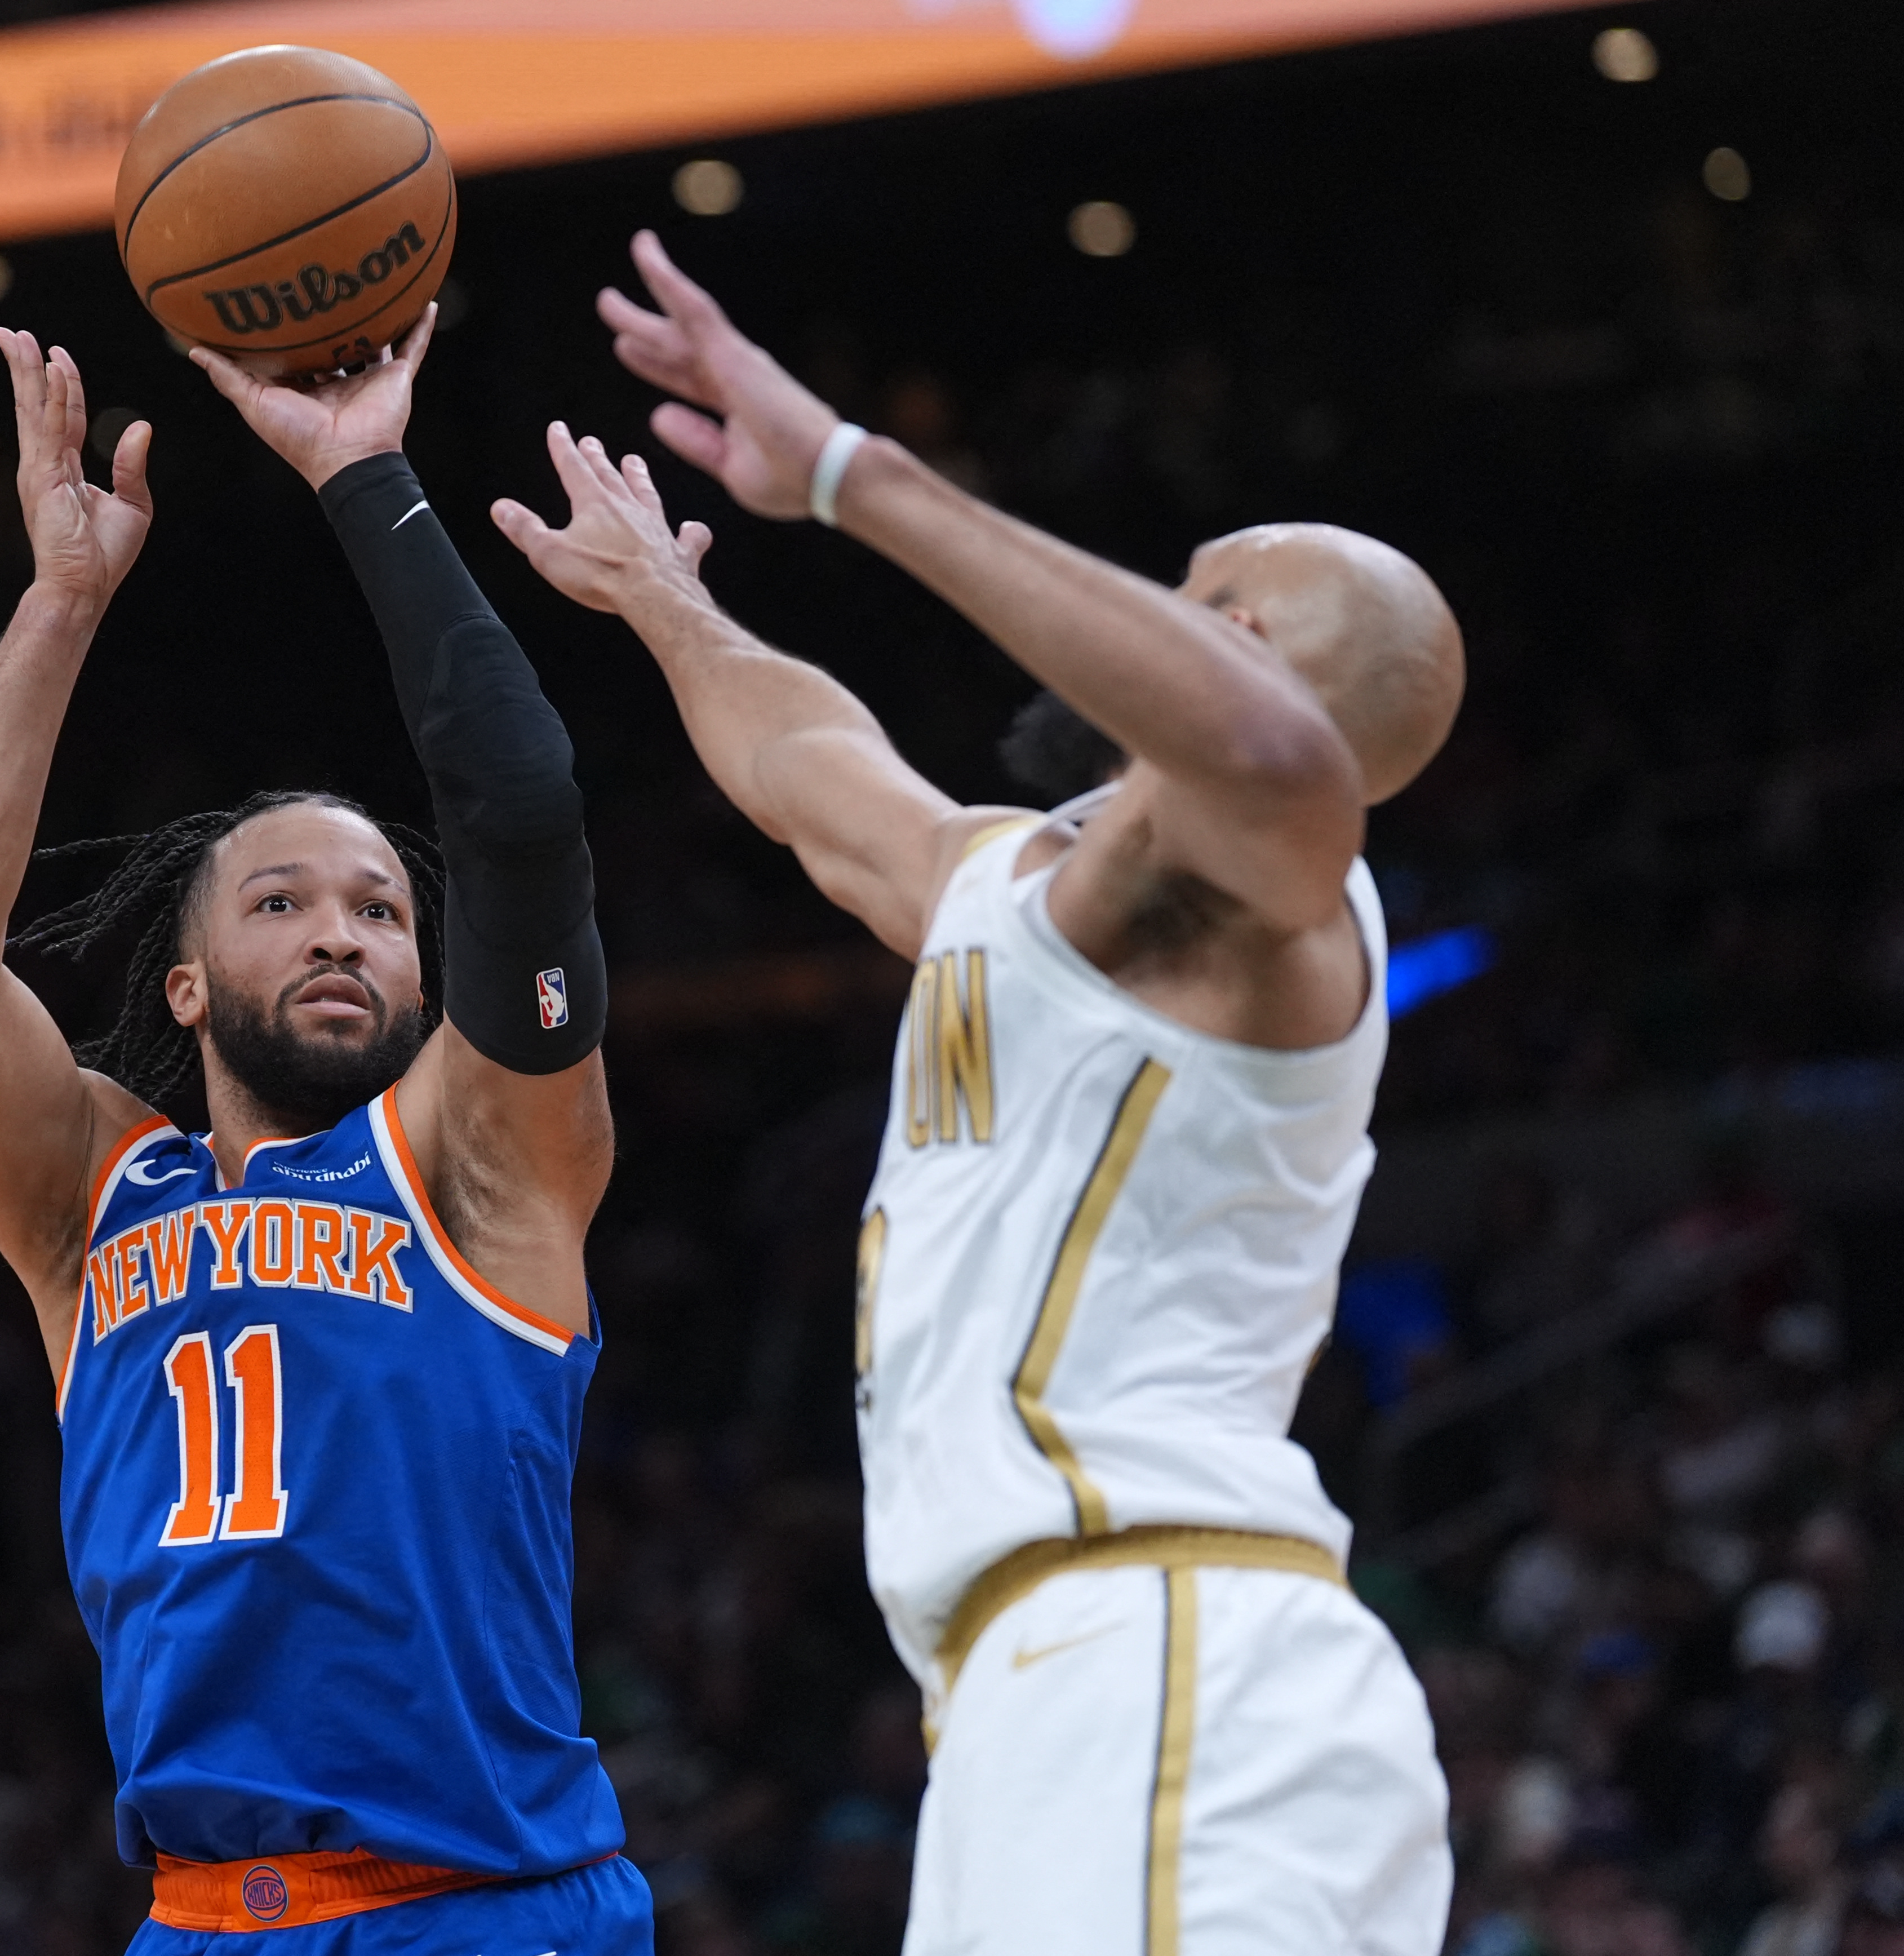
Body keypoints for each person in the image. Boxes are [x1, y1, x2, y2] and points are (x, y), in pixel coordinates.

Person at [494, 230, 1465, 1955]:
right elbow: (816, 778)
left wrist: (853, 475)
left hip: (1173, 1652)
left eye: (1197, 596)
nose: (1139, 608)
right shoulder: (1022, 888)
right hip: (1039, 1692)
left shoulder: (1280, 906)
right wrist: (667, 601)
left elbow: (1267, 756)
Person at [0, 314, 649, 1953]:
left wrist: (366, 477)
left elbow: (515, 811)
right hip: (202, 1918)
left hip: (488, 1909)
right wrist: (59, 602)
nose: (340, 934)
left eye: (379, 910)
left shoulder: (482, 1166)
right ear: (182, 979)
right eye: (282, 900)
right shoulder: (92, 1196)